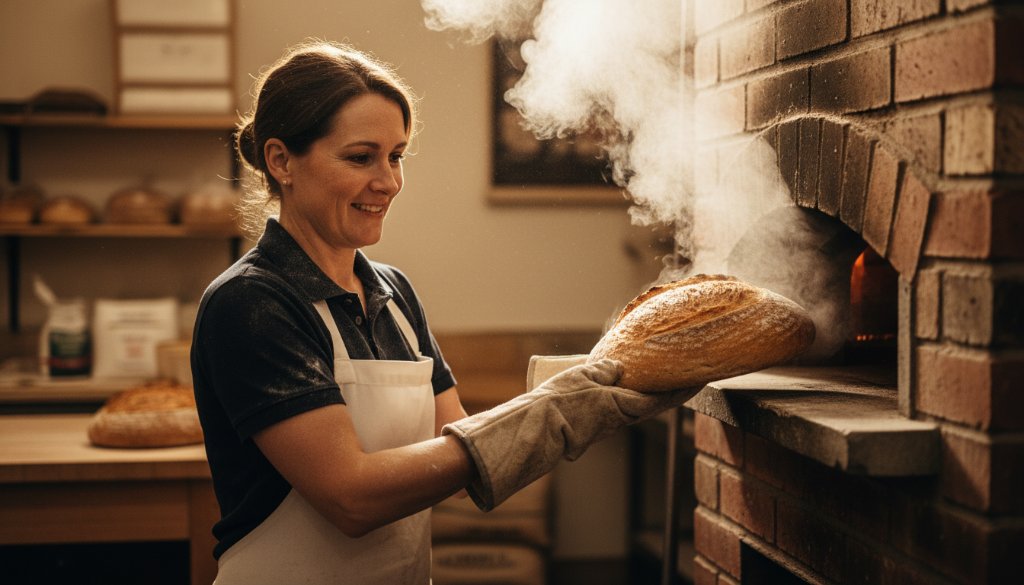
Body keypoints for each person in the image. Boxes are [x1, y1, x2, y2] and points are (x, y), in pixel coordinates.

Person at [191, 40, 694, 585]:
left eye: (396, 155)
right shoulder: (252, 302)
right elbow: (350, 497)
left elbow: (453, 463)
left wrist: (585, 389)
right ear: (281, 160)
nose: (388, 181)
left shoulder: (393, 293)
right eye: (361, 157)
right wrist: (551, 413)